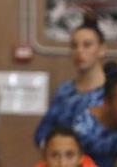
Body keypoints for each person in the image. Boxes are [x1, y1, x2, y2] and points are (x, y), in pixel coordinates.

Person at [35, 17, 106, 146]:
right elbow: (42, 133)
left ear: (101, 49)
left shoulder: (111, 92)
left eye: (87, 45)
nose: (79, 51)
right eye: (74, 46)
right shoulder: (64, 91)